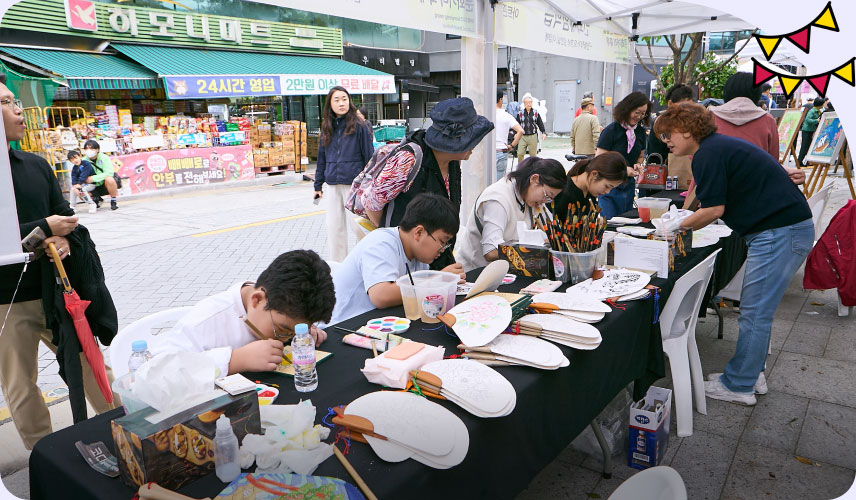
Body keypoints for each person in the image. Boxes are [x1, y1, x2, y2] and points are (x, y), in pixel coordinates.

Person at [656, 102, 813, 405]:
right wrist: (684, 217)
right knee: (758, 311)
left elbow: (714, 209)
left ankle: (739, 385)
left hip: (778, 231)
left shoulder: (708, 153)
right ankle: (750, 374)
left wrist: (677, 227)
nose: (667, 142)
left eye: (668, 134)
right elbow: (708, 196)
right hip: (785, 229)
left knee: (754, 313)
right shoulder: (717, 147)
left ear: (687, 129)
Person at [0, 76, 115, 450]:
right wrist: (43, 227)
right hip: (6, 304)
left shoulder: (35, 165)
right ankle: (46, 457)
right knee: (21, 384)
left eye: (16, 101)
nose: (18, 109)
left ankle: (124, 429)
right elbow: (47, 222)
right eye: (6, 102)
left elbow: (66, 216)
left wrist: (62, 237)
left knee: (88, 360)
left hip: (57, 291)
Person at [150, 250, 334, 376]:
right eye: (283, 331)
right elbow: (153, 373)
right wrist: (235, 360)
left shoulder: (282, 305)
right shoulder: (207, 320)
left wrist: (303, 333)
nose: (287, 337)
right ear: (257, 299)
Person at [362, 97, 493, 271]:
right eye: (472, 139)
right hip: (404, 262)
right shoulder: (408, 159)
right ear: (453, 142)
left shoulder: (454, 161)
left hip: (435, 257)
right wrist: (398, 239)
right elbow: (371, 203)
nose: (475, 145)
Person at [329, 193, 464, 325]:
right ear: (419, 232)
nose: (443, 249)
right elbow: (381, 296)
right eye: (442, 241)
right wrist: (439, 280)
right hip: (341, 325)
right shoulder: (381, 243)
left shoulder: (419, 257)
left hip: (377, 323)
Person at [456, 157, 567, 271]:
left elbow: (553, 233)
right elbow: (491, 251)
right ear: (534, 179)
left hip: (504, 272)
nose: (545, 201)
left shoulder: (529, 196)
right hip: (474, 273)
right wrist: (528, 255)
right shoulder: (498, 199)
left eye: (549, 199)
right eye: (547, 195)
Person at [313, 86, 375, 262]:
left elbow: (369, 157)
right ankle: (338, 266)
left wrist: (368, 185)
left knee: (360, 227)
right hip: (332, 185)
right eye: (337, 100)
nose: (341, 103)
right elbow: (321, 158)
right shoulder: (326, 127)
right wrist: (317, 185)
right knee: (334, 228)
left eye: (344, 99)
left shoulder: (359, 126)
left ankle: (367, 261)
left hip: (355, 186)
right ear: (330, 104)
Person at [595, 91, 650, 220]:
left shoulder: (640, 133)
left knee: (625, 222)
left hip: (628, 186)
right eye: (637, 112)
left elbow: (640, 156)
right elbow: (599, 160)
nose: (639, 116)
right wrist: (623, 170)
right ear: (627, 109)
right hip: (608, 185)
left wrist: (638, 165)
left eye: (643, 114)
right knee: (609, 224)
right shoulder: (611, 131)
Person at [710, 72, 778, 159]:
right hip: (756, 171)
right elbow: (774, 160)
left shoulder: (709, 117)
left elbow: (696, 155)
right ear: (757, 93)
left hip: (715, 171)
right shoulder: (768, 120)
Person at [552, 151, 628, 224]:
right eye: (607, 186)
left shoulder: (589, 192)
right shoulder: (563, 193)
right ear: (594, 175)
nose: (607, 192)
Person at [646, 84, 695, 160]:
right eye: (683, 106)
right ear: (670, 104)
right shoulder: (661, 122)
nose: (686, 110)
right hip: (661, 167)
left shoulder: (689, 121)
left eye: (690, 106)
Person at [82, 139, 120, 210]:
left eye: (91, 148)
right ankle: (97, 200)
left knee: (110, 179)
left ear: (97, 149)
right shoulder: (83, 161)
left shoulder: (104, 158)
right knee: (79, 191)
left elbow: (109, 173)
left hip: (104, 184)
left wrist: (93, 178)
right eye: (86, 149)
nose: (88, 150)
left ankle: (113, 200)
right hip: (92, 185)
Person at [495, 89, 523, 178]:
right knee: (498, 184)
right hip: (501, 151)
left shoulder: (485, 114)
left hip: (486, 153)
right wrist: (512, 146)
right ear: (500, 100)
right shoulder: (507, 116)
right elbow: (520, 131)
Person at [515, 93, 546, 164]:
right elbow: (517, 124)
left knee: (533, 155)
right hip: (522, 136)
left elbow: (540, 123)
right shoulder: (520, 113)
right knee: (520, 153)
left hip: (533, 136)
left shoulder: (536, 112)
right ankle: (521, 168)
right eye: (527, 103)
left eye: (530, 102)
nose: (529, 104)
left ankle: (533, 169)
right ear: (524, 103)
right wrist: (516, 133)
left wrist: (543, 133)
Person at [798, 97, 827, 167]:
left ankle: (804, 161)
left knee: (808, 146)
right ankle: (799, 161)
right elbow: (807, 120)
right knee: (804, 146)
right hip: (807, 130)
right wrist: (816, 121)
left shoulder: (818, 110)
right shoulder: (812, 111)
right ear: (820, 104)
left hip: (811, 130)